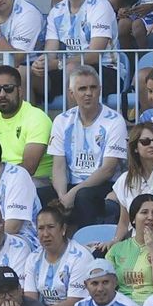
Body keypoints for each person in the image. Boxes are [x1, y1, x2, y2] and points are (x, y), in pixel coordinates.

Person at [47, 66, 127, 231]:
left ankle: (89, 245)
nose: (88, 93)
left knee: (83, 197)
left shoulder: (115, 120)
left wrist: (72, 194)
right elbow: (58, 165)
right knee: (42, 195)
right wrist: (63, 196)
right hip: (70, 184)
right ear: (71, 94)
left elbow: (108, 170)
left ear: (100, 90)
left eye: (93, 87)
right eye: (82, 89)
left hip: (103, 184)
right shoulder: (62, 120)